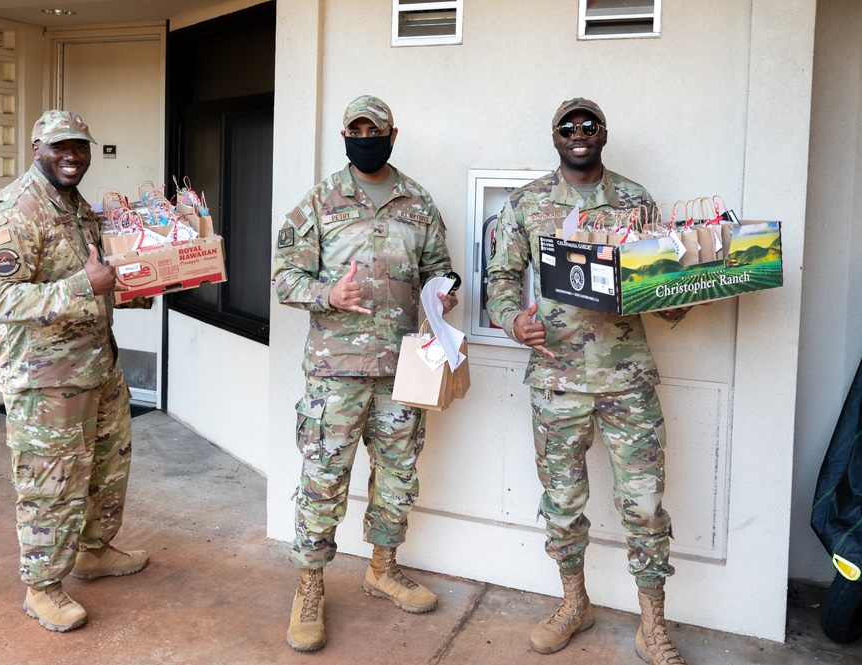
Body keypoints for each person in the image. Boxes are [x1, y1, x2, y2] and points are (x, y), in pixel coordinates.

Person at [486, 98, 689, 665]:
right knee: (563, 501)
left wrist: (683, 295)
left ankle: (653, 625)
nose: (579, 134)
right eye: (567, 127)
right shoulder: (527, 202)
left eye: (588, 125)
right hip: (556, 379)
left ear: (603, 134)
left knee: (645, 505)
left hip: (627, 380)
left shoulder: (635, 200)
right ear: (555, 137)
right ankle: (575, 602)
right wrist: (512, 320)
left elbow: (662, 278)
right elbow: (501, 277)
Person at [272, 95, 457, 652]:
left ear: (391, 135)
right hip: (336, 374)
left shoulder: (418, 202)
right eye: (354, 129)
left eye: (372, 129)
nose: (363, 136)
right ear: (345, 136)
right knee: (324, 481)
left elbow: (440, 270)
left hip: (403, 370)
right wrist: (329, 293)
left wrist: (442, 297)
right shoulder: (320, 201)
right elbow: (284, 279)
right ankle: (309, 586)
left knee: (398, 475)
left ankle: (382, 567)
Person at [0, 110, 149, 633]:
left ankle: (94, 552)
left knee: (106, 466)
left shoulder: (78, 208)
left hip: (97, 366)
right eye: (60, 147)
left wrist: (142, 285)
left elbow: (100, 277)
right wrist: (84, 288)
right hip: (47, 381)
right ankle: (42, 586)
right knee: (51, 483)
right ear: (37, 148)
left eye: (80, 146)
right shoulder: (17, 210)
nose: (72, 156)